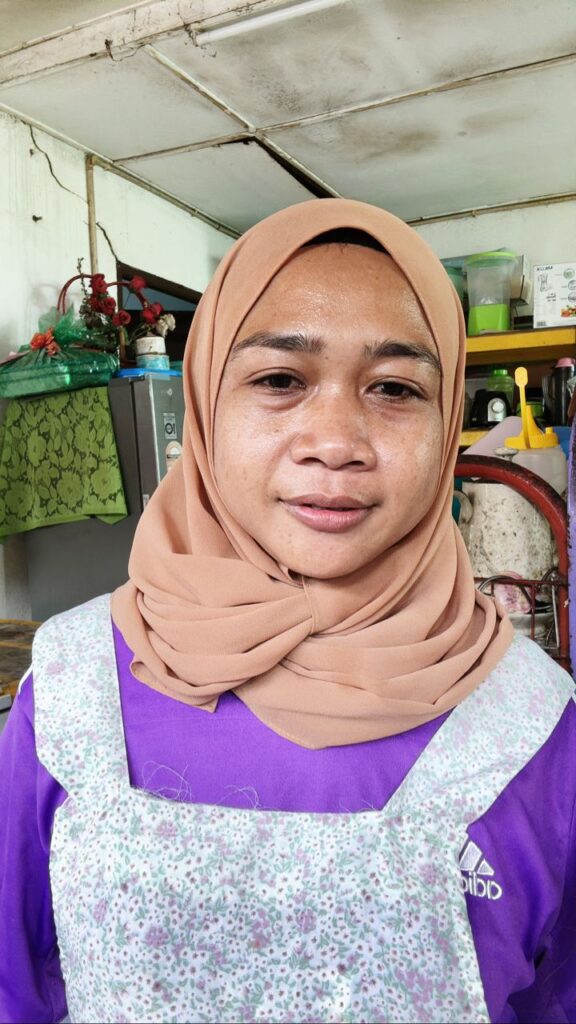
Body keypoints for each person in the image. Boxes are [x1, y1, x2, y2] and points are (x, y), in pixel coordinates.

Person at [1, 199, 575, 1024]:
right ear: (206, 403)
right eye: (278, 379)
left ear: (448, 415)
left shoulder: (537, 728)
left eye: (394, 387)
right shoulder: (70, 688)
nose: (334, 441)